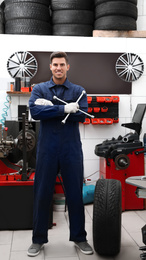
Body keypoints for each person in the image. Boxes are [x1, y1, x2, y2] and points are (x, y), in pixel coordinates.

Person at [27, 51, 93, 257]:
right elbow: (35, 112)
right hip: (47, 149)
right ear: (50, 67)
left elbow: (82, 116)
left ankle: (80, 238)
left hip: (71, 150)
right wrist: (63, 110)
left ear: (67, 67)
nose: (58, 68)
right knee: (42, 195)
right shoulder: (40, 89)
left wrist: (53, 109)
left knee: (75, 195)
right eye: (55, 64)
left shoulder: (78, 90)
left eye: (62, 64)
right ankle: (38, 240)